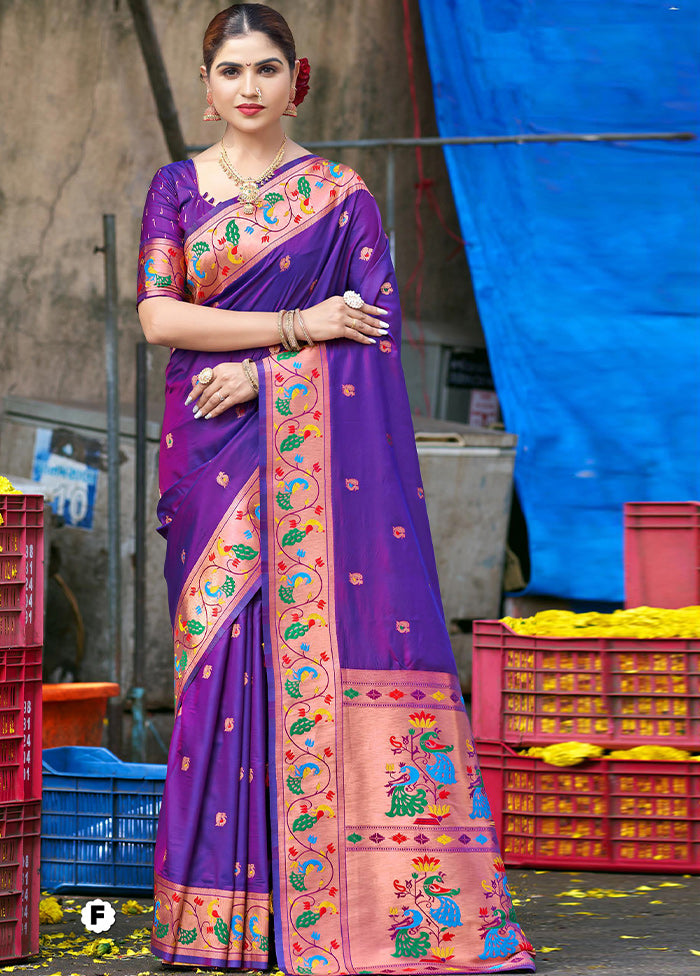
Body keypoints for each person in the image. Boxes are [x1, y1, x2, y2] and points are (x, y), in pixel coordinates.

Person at [137, 4, 535, 973]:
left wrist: (275, 367)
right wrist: (294, 324)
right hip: (209, 455)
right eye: (229, 69)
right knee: (219, 673)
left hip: (302, 455)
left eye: (265, 68)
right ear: (206, 83)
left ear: (296, 77)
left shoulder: (343, 198)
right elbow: (158, 317)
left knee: (296, 660)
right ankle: (222, 921)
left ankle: (334, 915)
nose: (247, 87)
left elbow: (374, 334)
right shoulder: (176, 190)